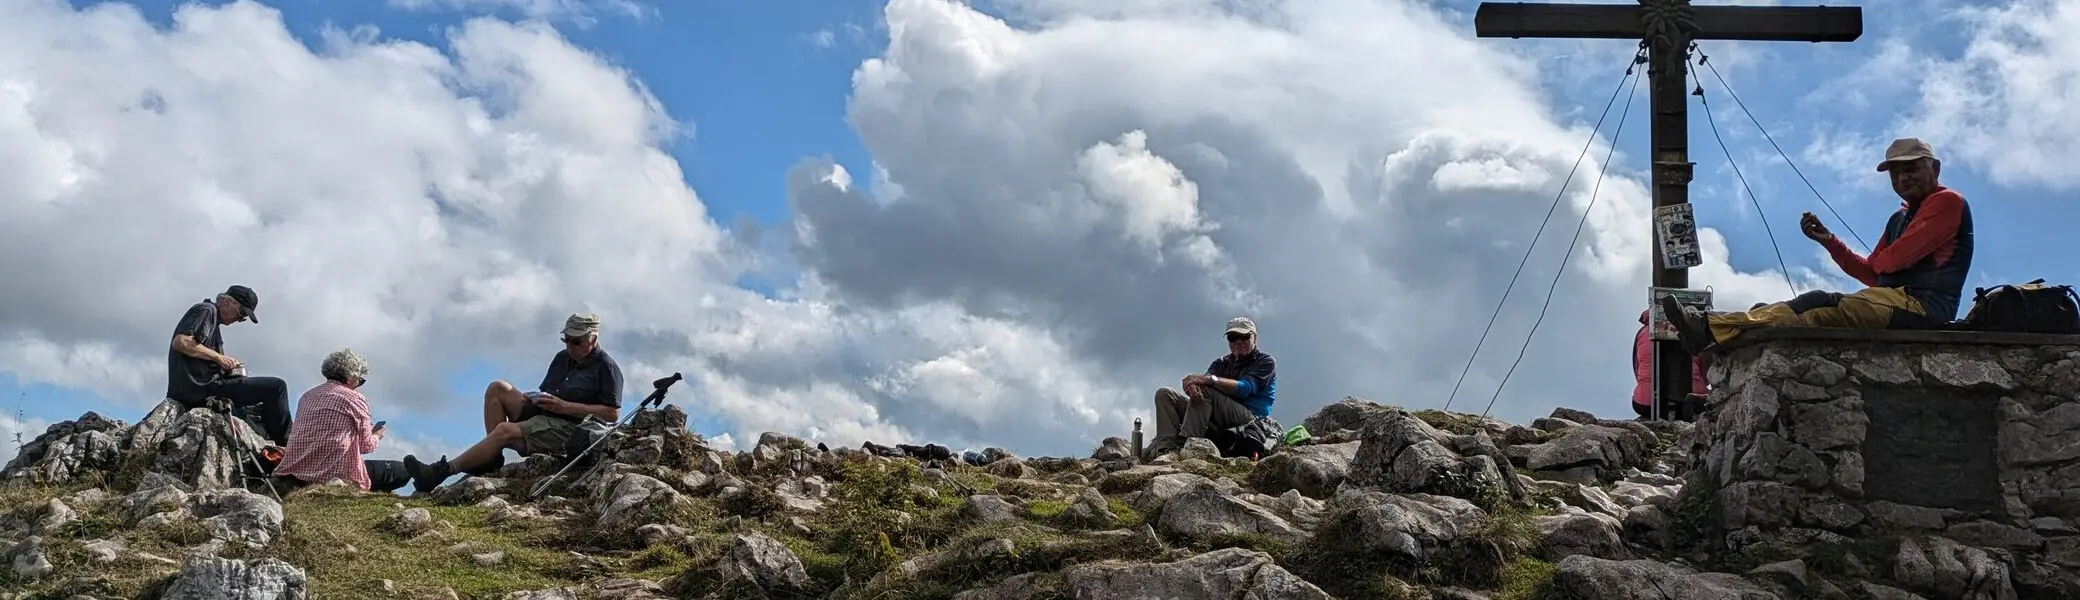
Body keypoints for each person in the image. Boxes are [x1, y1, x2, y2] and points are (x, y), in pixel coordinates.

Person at [1664, 138, 1974, 354]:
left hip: (1922, 307)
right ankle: (1728, 329)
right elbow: (1872, 272)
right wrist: (1831, 243)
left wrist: (1885, 261)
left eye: (1911, 169)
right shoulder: (1902, 216)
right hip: (1893, 301)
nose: (1903, 178)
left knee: (1818, 304)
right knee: (1803, 309)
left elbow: (1891, 262)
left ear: (1935, 168)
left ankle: (1711, 327)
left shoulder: (1947, 202)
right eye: (1896, 173)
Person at [404, 313, 624, 491]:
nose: (570, 346)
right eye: (566, 340)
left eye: (576, 341)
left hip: (570, 427)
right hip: (545, 412)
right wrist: (536, 398)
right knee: (497, 387)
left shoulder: (607, 368)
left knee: (503, 431)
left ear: (593, 338)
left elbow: (612, 414)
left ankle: (441, 472)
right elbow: (548, 390)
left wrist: (565, 407)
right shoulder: (562, 358)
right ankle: (491, 458)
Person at [165, 285, 293, 447]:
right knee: (276, 387)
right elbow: (181, 341)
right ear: (226, 302)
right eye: (240, 314)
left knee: (258, 410)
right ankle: (286, 446)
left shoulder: (213, 321)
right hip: (201, 389)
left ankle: (272, 443)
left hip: (197, 388)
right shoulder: (206, 310)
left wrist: (225, 368)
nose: (238, 320)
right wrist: (219, 358)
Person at [272, 349, 409, 493]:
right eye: (360, 381)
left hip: (297, 469)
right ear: (351, 378)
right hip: (333, 473)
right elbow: (366, 446)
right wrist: (376, 436)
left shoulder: (307, 396)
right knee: (403, 471)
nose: (358, 386)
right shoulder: (355, 398)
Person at [1144, 317, 1276, 459]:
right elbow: (1203, 382)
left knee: (1206, 388)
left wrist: (1209, 380)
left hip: (1250, 420)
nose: (1238, 341)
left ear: (1254, 338)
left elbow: (1244, 388)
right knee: (1165, 394)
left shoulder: (1265, 362)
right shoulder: (1221, 363)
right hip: (1216, 418)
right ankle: (1165, 449)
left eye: (1244, 337)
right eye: (1233, 337)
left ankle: (1187, 444)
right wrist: (1192, 386)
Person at [1632, 309, 1707, 420]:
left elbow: (1637, 367)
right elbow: (1705, 371)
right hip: (1692, 399)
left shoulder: (1643, 333)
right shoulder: (1696, 333)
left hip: (1647, 402)